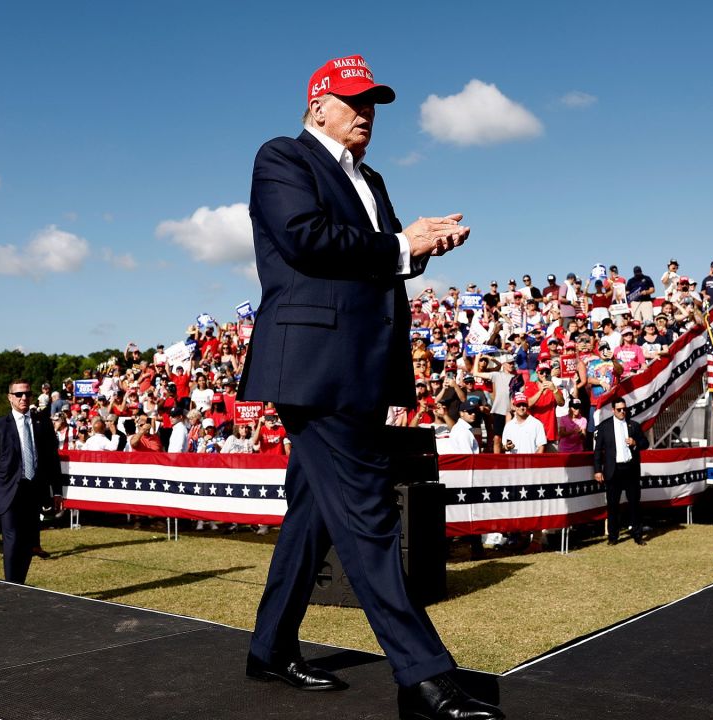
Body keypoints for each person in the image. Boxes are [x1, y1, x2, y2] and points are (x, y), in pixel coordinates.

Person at [237, 55, 501, 720]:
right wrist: (401, 245)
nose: (367, 112)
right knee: (369, 515)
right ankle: (423, 676)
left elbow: (374, 261)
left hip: (358, 364)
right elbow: (308, 240)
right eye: (354, 100)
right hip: (314, 367)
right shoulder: (282, 158)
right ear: (317, 104)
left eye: (374, 102)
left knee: (315, 513)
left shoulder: (371, 178)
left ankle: (269, 648)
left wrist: (421, 247)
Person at [0, 379, 65, 585]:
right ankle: (11, 585)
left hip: (33, 491)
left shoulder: (42, 424)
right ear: (10, 398)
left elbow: (52, 460)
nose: (24, 397)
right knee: (12, 538)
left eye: (27, 394)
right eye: (18, 394)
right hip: (7, 492)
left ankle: (19, 586)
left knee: (27, 542)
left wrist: (57, 492)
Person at [593, 398, 650, 545]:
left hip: (630, 468)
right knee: (613, 505)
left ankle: (637, 535)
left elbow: (645, 443)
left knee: (634, 503)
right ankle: (613, 537)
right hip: (613, 469)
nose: (622, 412)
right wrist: (598, 470)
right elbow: (598, 450)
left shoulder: (633, 425)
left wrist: (635, 442)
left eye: (624, 409)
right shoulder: (605, 427)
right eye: (619, 409)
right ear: (613, 410)